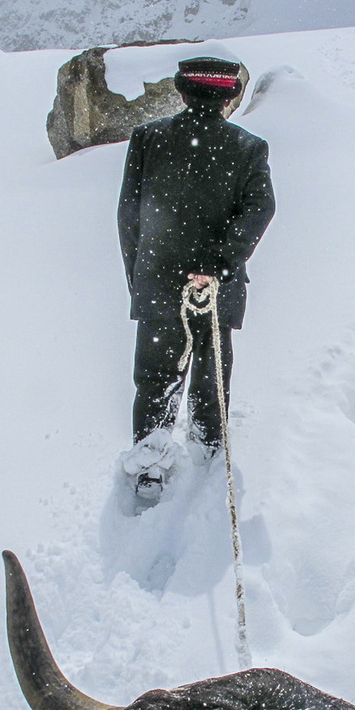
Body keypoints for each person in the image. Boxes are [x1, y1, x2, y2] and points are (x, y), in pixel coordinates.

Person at [117, 56, 275, 499]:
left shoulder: (148, 139)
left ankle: (150, 468)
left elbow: (129, 215)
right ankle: (207, 461)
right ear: (228, 97)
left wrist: (140, 278)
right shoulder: (248, 147)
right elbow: (259, 210)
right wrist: (219, 265)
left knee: (155, 379)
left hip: (157, 283)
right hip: (215, 289)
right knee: (211, 376)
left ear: (181, 92)